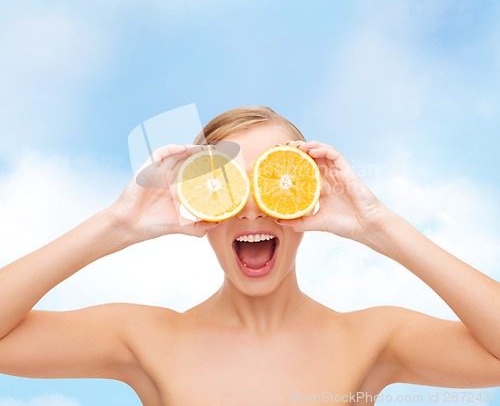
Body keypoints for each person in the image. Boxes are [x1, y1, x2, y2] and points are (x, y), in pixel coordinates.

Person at [0, 105, 499, 406]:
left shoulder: (371, 338)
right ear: (197, 201)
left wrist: (379, 225)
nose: (253, 210)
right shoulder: (145, 338)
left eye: (276, 182)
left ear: (309, 194)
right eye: (228, 185)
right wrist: (116, 225)